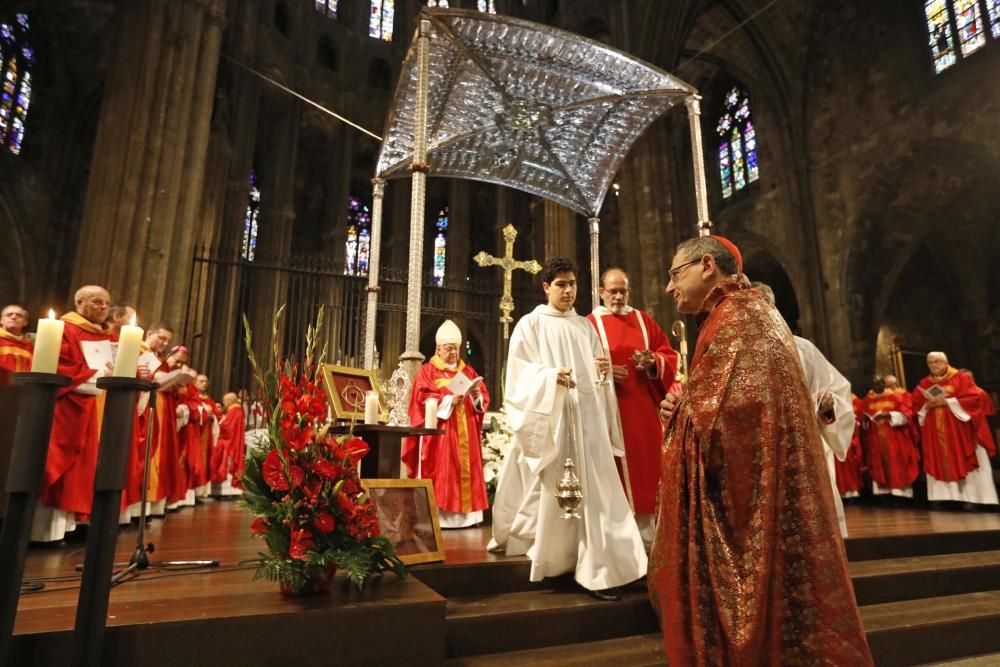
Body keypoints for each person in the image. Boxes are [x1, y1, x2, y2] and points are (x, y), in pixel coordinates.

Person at [650, 236, 872, 665]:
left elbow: (731, 423)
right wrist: (687, 404)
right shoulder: (741, 314)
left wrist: (680, 414)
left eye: (675, 274)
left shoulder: (738, 318)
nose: (669, 287)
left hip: (749, 502)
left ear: (707, 266)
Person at [489, 257, 646, 602]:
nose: (569, 290)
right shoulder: (530, 325)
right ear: (546, 287)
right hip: (555, 423)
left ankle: (605, 566)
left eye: (573, 284)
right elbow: (518, 376)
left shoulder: (585, 327)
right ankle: (563, 561)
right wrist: (548, 378)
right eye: (561, 284)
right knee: (561, 495)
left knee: (600, 495)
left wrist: (601, 371)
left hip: (587, 423)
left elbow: (596, 377)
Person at [752, 281, 854, 536]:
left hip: (801, 443)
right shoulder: (732, 350)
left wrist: (828, 406)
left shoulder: (802, 348)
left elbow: (836, 392)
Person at [586, 268, 677, 547]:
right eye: (612, 291)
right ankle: (619, 544)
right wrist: (603, 373)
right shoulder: (590, 324)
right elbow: (580, 364)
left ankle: (650, 542)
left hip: (642, 410)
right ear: (601, 292)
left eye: (622, 290)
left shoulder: (643, 319)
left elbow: (668, 354)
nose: (617, 296)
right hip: (608, 412)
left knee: (647, 470)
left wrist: (652, 362)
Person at [32, 285, 114, 542]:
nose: (103, 308)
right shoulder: (65, 328)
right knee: (58, 463)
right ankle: (44, 533)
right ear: (80, 302)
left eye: (107, 304)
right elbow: (57, 363)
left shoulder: (102, 336)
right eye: (97, 302)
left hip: (89, 406)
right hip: (66, 406)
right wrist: (96, 375)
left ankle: (68, 527)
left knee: (81, 469)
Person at [403, 319, 491, 528]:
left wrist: (476, 396)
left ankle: (468, 518)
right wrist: (449, 400)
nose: (453, 353)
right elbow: (420, 398)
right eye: (449, 349)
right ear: (438, 349)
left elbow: (482, 401)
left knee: (465, 470)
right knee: (443, 471)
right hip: (441, 434)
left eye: (456, 349)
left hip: (466, 433)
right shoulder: (428, 371)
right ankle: (440, 518)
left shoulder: (468, 371)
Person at [912, 352, 998, 507]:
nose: (934, 365)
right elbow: (916, 404)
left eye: (937, 362)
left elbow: (974, 399)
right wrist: (927, 405)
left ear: (946, 362)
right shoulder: (924, 383)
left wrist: (947, 402)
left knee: (966, 458)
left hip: (960, 430)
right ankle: (945, 498)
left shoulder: (961, 378)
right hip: (935, 432)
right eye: (930, 363)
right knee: (939, 460)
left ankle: (972, 499)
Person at [863, 376, 921, 500]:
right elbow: (863, 417)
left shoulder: (895, 396)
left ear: (884, 384)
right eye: (874, 385)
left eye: (879, 384)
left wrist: (889, 415)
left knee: (898, 463)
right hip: (876, 438)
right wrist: (866, 420)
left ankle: (900, 495)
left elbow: (906, 414)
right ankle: (885, 495)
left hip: (895, 436)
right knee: (879, 463)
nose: (876, 387)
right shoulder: (868, 400)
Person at [375, 488, 433, 555]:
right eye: (408, 504)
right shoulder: (379, 517)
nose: (411, 511)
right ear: (394, 502)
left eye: (412, 505)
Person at [211, 392, 246, 496]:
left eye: (225, 401)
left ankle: (227, 492)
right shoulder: (236, 410)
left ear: (230, 401)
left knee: (227, 466)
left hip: (229, 444)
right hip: (231, 442)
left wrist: (219, 423)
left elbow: (228, 428)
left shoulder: (234, 411)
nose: (224, 403)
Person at [0, 304, 33, 376]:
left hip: (25, 386)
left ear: (25, 322)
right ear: (1, 320)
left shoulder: (30, 347)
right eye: (9, 315)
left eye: (19, 315)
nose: (13, 317)